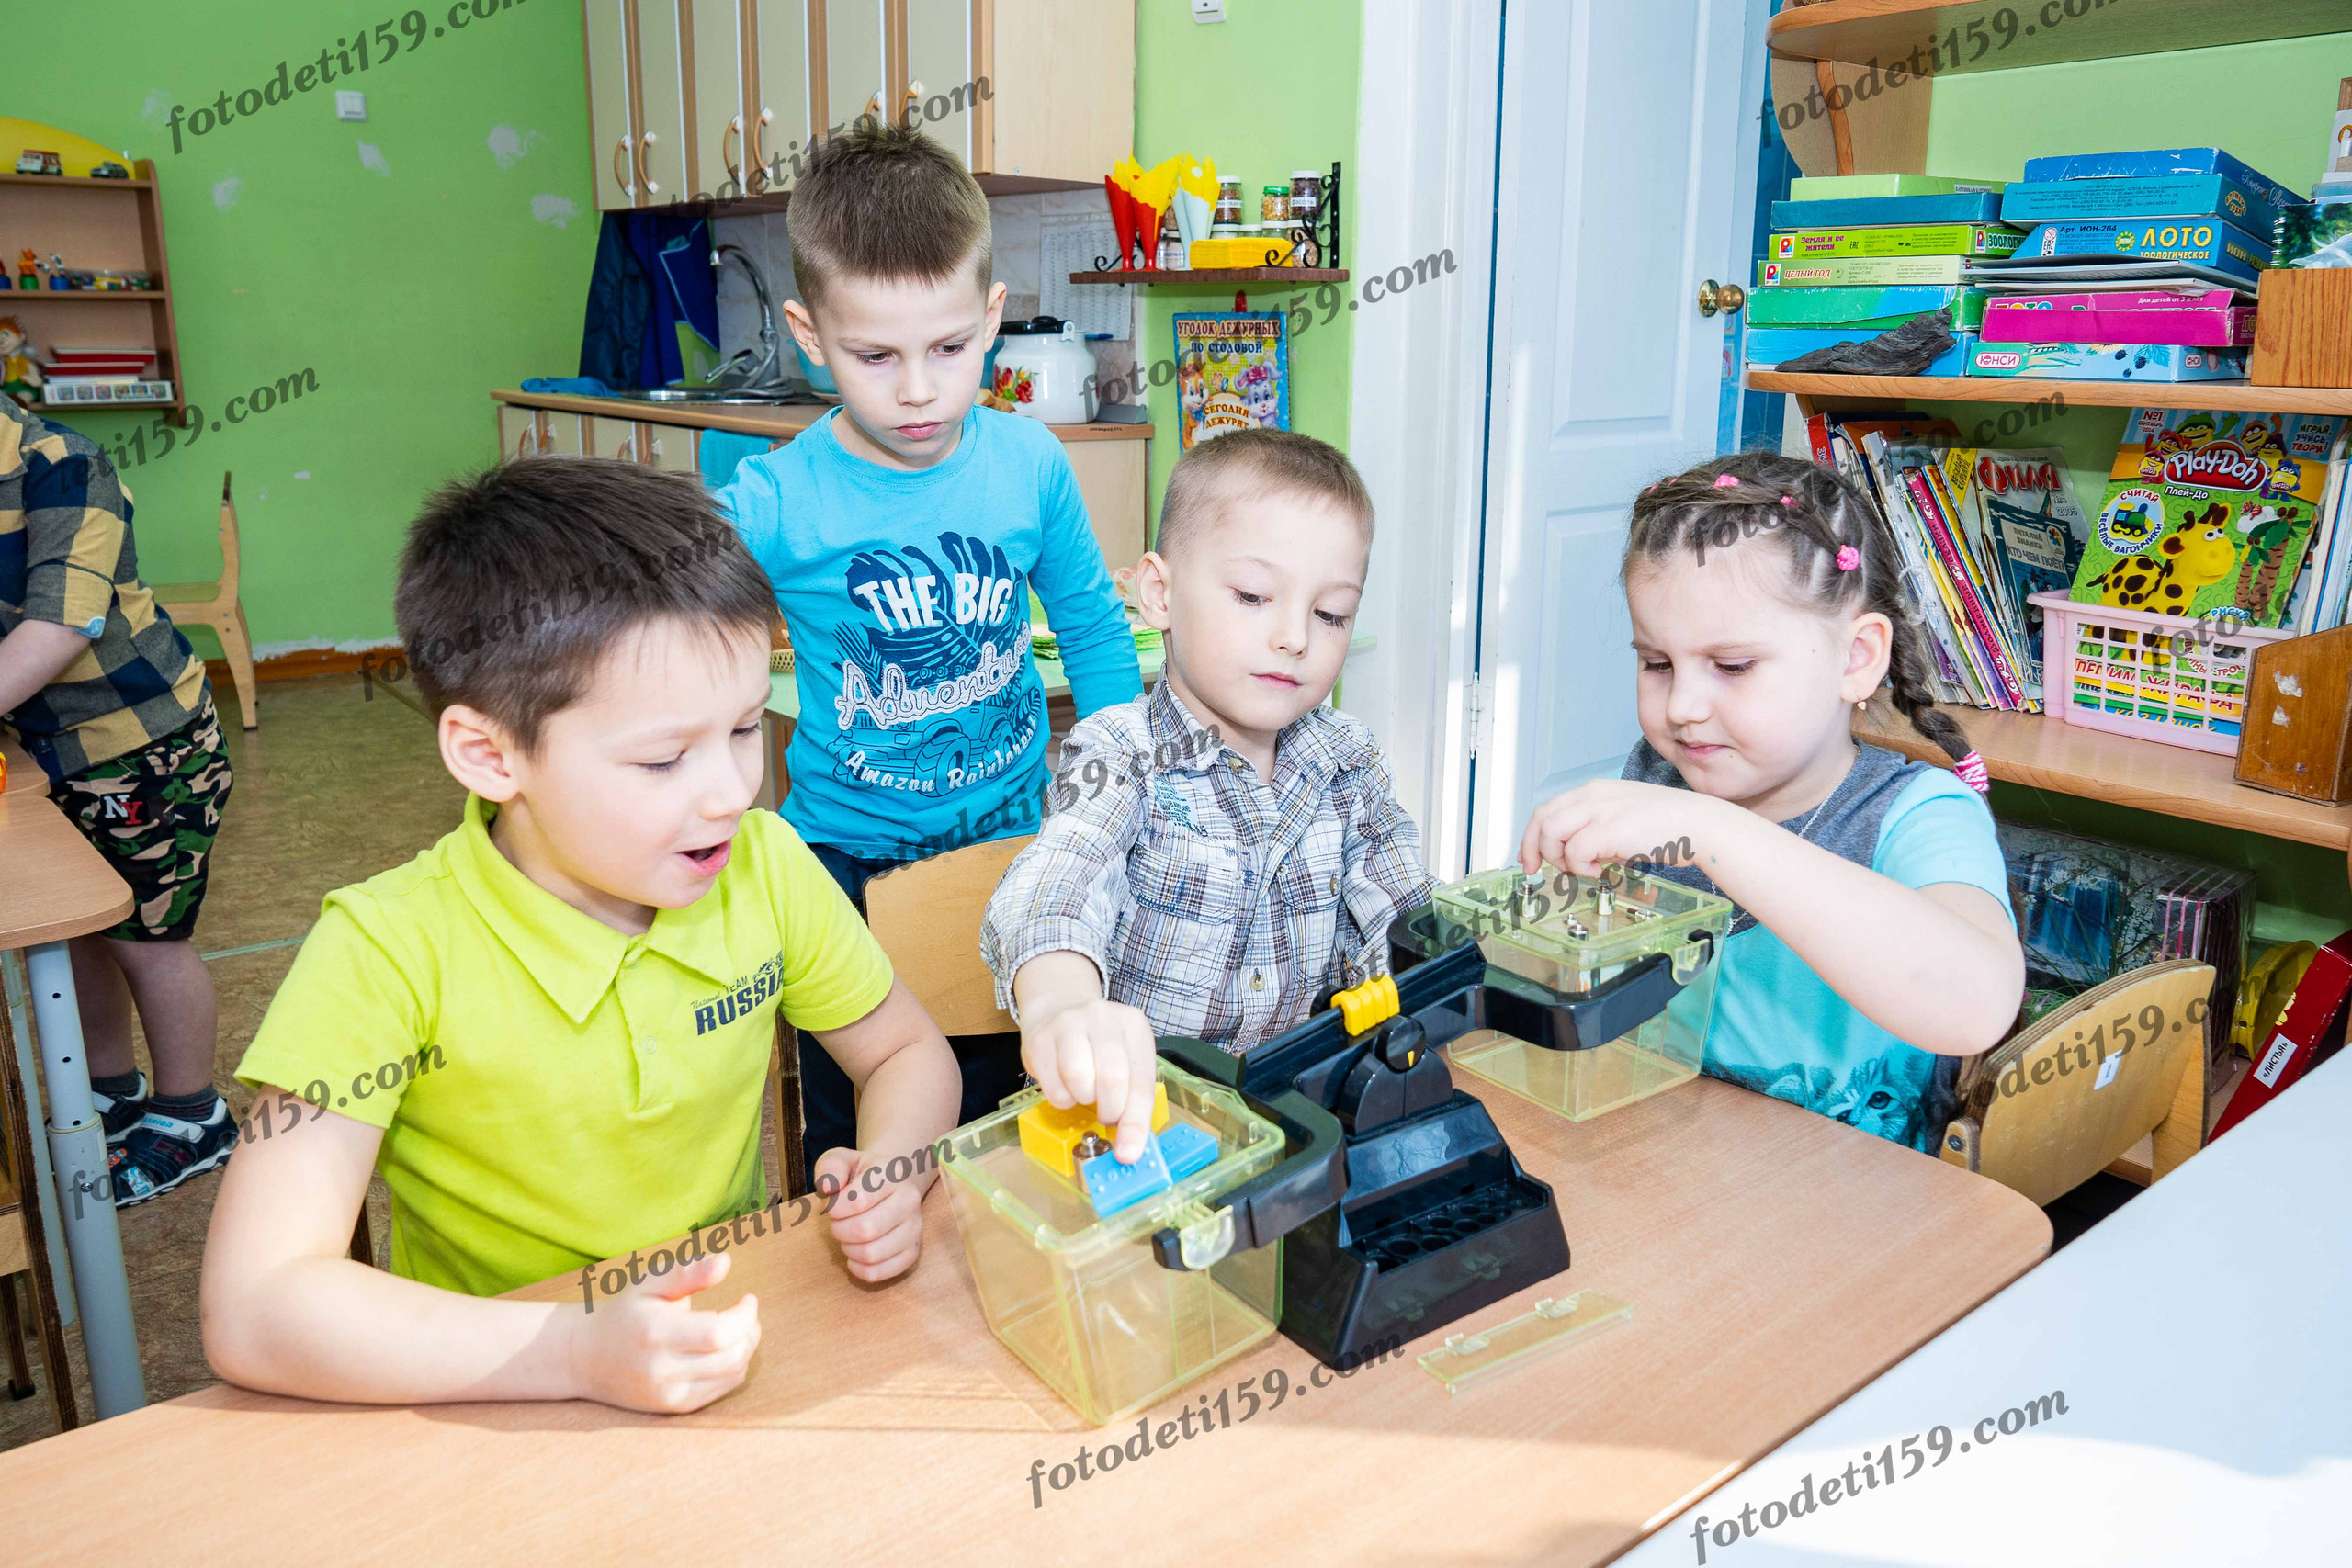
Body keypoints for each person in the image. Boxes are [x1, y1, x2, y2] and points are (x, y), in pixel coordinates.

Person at [201, 459, 960, 1414]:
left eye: (741, 730)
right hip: (491, 1392)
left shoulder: (762, 866)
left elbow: (901, 1050)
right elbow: (254, 1304)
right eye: (662, 758)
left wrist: (895, 1168)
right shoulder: (384, 949)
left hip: (724, 1350)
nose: (733, 792)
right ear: (489, 754)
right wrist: (573, 1353)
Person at [716, 120, 1140, 1179]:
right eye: (874, 356)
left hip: (1005, 857)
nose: (917, 391)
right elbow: (656, 614)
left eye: (949, 349)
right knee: (866, 1148)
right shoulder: (777, 501)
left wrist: (1118, 781)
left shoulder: (1030, 464)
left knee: (1006, 1133)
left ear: (990, 316)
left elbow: (1088, 626)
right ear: (811, 336)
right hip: (843, 871)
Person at [1517, 450, 2024, 1153]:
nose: (1684, 707)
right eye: (1657, 663)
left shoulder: (1918, 814)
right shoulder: (1663, 785)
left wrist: (1709, 831)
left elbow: (1977, 1002)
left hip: (1852, 1211)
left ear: (1855, 659)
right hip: (1663, 1165)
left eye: (1732, 666)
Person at [979, 428, 1433, 1160]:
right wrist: (1064, 1004)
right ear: (1159, 592)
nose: (1294, 636)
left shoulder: (1345, 759)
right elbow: (1055, 886)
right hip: (1130, 1139)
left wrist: (1457, 960)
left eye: (1331, 613)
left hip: (1293, 1136)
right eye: (1254, 596)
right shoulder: (1122, 755)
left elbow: (1409, 921)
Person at [0, 390, 234, 1204]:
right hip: (45, 750)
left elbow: (60, 628)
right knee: (85, 931)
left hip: (144, 747)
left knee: (148, 938)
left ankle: (192, 1116)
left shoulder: (63, 467)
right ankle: (114, 1088)